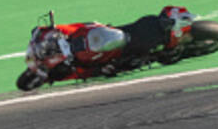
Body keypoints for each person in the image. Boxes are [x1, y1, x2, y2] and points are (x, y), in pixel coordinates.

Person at [25, 6, 195, 82]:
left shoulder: (86, 54)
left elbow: (85, 72)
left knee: (110, 68)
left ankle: (151, 56)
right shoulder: (76, 33)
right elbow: (74, 26)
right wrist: (48, 29)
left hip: (125, 44)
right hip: (113, 36)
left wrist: (94, 71)